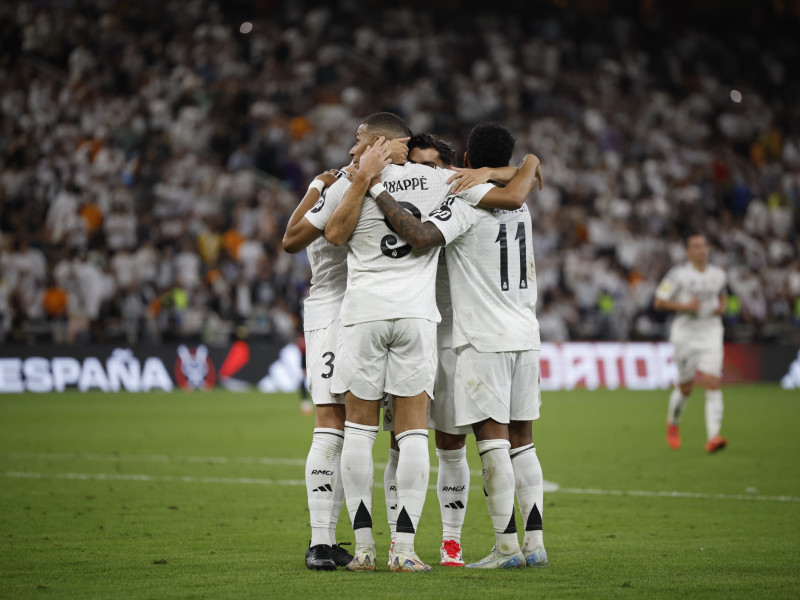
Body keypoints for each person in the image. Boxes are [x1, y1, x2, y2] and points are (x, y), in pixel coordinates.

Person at [356, 122, 547, 569]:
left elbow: (421, 237)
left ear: (461, 164)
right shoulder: (521, 204)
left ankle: (505, 549)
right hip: (524, 330)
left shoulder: (461, 198)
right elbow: (524, 182)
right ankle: (534, 543)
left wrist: (379, 192)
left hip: (480, 335)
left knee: (492, 440)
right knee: (524, 441)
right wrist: (524, 166)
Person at [282, 167, 355, 570]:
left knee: (358, 433)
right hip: (333, 312)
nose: (352, 152)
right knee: (331, 426)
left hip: (371, 313)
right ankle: (320, 541)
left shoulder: (335, 186)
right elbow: (291, 237)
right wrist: (317, 187)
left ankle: (333, 540)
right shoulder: (343, 187)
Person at [654, 233, 729, 453]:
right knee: (686, 387)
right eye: (696, 246)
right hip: (685, 336)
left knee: (713, 382)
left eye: (704, 245)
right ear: (688, 252)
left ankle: (713, 437)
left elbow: (724, 295)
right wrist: (686, 306)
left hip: (711, 332)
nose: (702, 250)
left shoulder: (719, 275)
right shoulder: (678, 275)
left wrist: (722, 307)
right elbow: (658, 302)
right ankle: (673, 422)